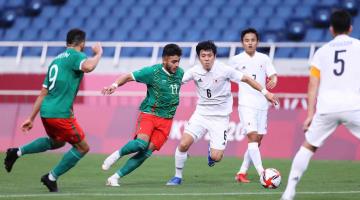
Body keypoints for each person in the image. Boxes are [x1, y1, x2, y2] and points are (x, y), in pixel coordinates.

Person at [4, 28, 103, 192]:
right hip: (60, 114)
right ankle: (51, 177)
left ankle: (17, 152)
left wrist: (31, 117)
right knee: (83, 147)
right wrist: (98, 53)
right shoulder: (76, 56)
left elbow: (43, 92)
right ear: (82, 43)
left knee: (57, 142)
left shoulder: (55, 61)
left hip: (46, 111)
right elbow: (89, 67)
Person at [166, 40, 278, 185]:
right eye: (203, 56)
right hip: (201, 115)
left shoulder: (224, 70)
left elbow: (247, 79)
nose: (206, 59)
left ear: (214, 56)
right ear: (199, 57)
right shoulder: (193, 71)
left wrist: (265, 92)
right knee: (183, 144)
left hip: (220, 119)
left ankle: (211, 153)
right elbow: (175, 83)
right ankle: (178, 176)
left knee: (216, 157)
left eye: (209, 55)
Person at [281, 10, 360, 200]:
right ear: (351, 27)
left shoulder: (321, 52)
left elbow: (312, 85)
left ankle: (289, 190)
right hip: (354, 106)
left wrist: (309, 114)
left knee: (308, 147)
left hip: (327, 108)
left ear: (331, 29)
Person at [101, 43, 184, 186]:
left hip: (167, 120)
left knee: (146, 153)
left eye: (178, 61)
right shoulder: (152, 72)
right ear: (164, 60)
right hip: (150, 114)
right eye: (173, 61)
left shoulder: (181, 73)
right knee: (141, 144)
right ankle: (116, 155)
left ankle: (114, 178)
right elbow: (128, 76)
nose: (176, 65)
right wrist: (114, 86)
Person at [228, 28, 278, 183]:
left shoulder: (264, 58)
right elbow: (227, 77)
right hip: (246, 104)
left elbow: (273, 74)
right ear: (242, 42)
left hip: (262, 104)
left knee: (257, 139)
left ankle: (241, 172)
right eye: (247, 40)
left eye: (253, 40)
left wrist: (274, 79)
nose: (250, 43)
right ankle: (263, 174)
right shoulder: (236, 60)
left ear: (257, 42)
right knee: (252, 137)